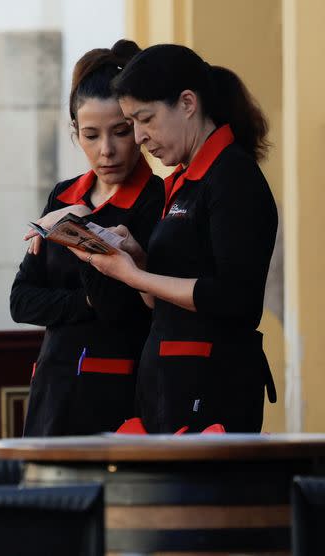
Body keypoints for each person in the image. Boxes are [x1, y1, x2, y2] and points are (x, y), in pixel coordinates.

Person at [73, 44, 278, 433]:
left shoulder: (233, 178)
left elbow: (235, 297)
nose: (139, 137)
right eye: (132, 122)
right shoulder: (183, 181)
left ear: (187, 103)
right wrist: (137, 260)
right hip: (167, 383)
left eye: (145, 119)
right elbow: (159, 300)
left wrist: (134, 276)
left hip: (212, 386)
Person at [10, 40, 165, 436]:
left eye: (120, 132)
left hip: (115, 393)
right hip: (50, 387)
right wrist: (87, 301)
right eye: (92, 136)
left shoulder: (156, 199)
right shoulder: (63, 195)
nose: (107, 151)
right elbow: (21, 301)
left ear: (138, 127)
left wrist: (79, 230)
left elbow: (124, 308)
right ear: (75, 133)